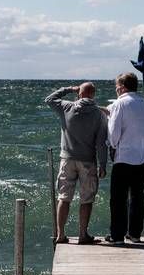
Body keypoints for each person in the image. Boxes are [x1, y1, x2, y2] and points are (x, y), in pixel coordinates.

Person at [44, 82, 109, 244]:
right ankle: (82, 234)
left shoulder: (67, 107)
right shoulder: (99, 115)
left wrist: (68, 89)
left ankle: (61, 234)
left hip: (67, 159)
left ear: (79, 93)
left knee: (64, 197)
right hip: (88, 162)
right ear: (93, 95)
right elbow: (101, 143)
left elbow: (49, 99)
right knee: (86, 199)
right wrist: (102, 164)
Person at [105, 71, 144, 245]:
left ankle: (117, 235)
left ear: (122, 87)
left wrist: (112, 146)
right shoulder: (142, 103)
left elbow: (114, 132)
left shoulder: (120, 104)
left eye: (117, 86)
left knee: (118, 199)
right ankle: (134, 234)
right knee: (137, 197)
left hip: (124, 157)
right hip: (142, 157)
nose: (116, 89)